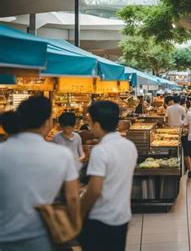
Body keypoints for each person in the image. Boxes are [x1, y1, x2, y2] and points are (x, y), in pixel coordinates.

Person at [0, 96, 80, 251]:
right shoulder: (62, 155)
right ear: (47, 121)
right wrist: (75, 226)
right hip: (41, 234)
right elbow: (73, 197)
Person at [80, 101, 138, 251]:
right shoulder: (129, 145)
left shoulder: (101, 150)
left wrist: (79, 211)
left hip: (101, 218)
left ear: (97, 125)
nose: (89, 126)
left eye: (90, 122)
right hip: (122, 216)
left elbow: (94, 190)